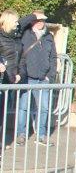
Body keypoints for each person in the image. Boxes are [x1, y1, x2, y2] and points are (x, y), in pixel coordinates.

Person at [16, 11, 58, 144]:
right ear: (32, 20)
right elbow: (20, 24)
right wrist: (33, 16)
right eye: (38, 20)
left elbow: (53, 57)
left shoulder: (48, 37)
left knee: (44, 108)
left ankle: (41, 135)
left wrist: (49, 76)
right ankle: (21, 134)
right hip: (27, 77)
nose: (41, 22)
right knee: (24, 107)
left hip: (43, 78)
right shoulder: (25, 33)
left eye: (43, 20)